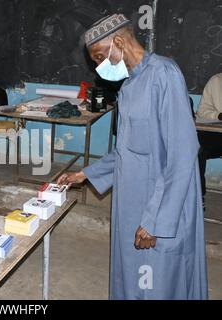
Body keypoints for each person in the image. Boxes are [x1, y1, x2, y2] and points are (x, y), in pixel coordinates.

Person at [58, 14, 207, 299]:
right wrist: (85, 174)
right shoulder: (128, 87)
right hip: (132, 204)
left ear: (118, 42)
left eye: (101, 57)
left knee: (159, 282)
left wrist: (156, 221)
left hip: (162, 207)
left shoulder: (164, 74)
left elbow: (182, 154)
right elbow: (127, 151)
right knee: (133, 279)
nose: (100, 68)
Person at [196, 73, 222, 204]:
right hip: (217, 135)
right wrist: (218, 115)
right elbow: (202, 110)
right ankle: (198, 197)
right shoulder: (216, 81)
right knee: (196, 148)